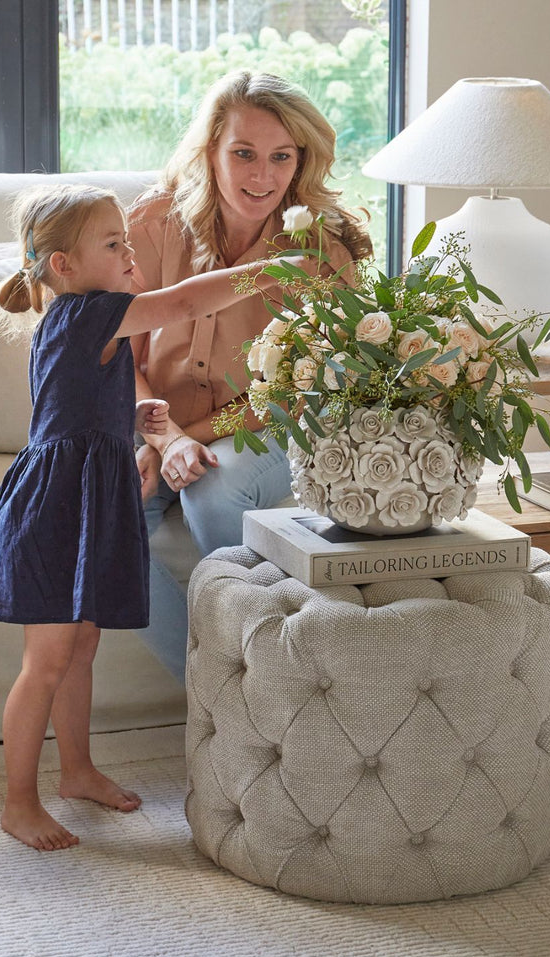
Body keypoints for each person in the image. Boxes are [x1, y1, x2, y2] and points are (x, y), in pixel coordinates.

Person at [0, 182, 290, 852]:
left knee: (81, 645)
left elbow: (69, 412)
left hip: (84, 495)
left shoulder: (82, 322)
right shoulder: (89, 312)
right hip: (58, 509)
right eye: (113, 243)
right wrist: (269, 271)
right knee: (48, 659)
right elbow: (181, 302)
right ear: (64, 265)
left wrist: (132, 420)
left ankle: (78, 769)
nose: (128, 252)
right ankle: (17, 802)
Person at [128, 70, 373, 682]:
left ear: (300, 161)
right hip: (149, 420)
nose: (261, 176)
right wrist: (165, 439)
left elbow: (290, 391)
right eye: (243, 153)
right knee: (104, 526)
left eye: (280, 157)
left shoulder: (320, 252)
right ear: (210, 150)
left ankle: (272, 669)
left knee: (213, 489)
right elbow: (116, 360)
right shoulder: (151, 225)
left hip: (259, 422)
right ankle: (219, 690)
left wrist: (188, 437)